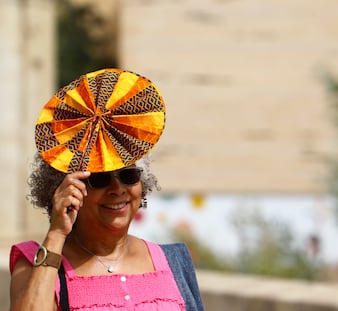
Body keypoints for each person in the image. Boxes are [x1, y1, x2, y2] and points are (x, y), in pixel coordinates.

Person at [9, 69, 205, 311]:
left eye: (128, 175)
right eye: (100, 179)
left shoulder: (174, 261)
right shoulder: (35, 263)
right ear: (71, 188)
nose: (117, 189)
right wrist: (57, 234)